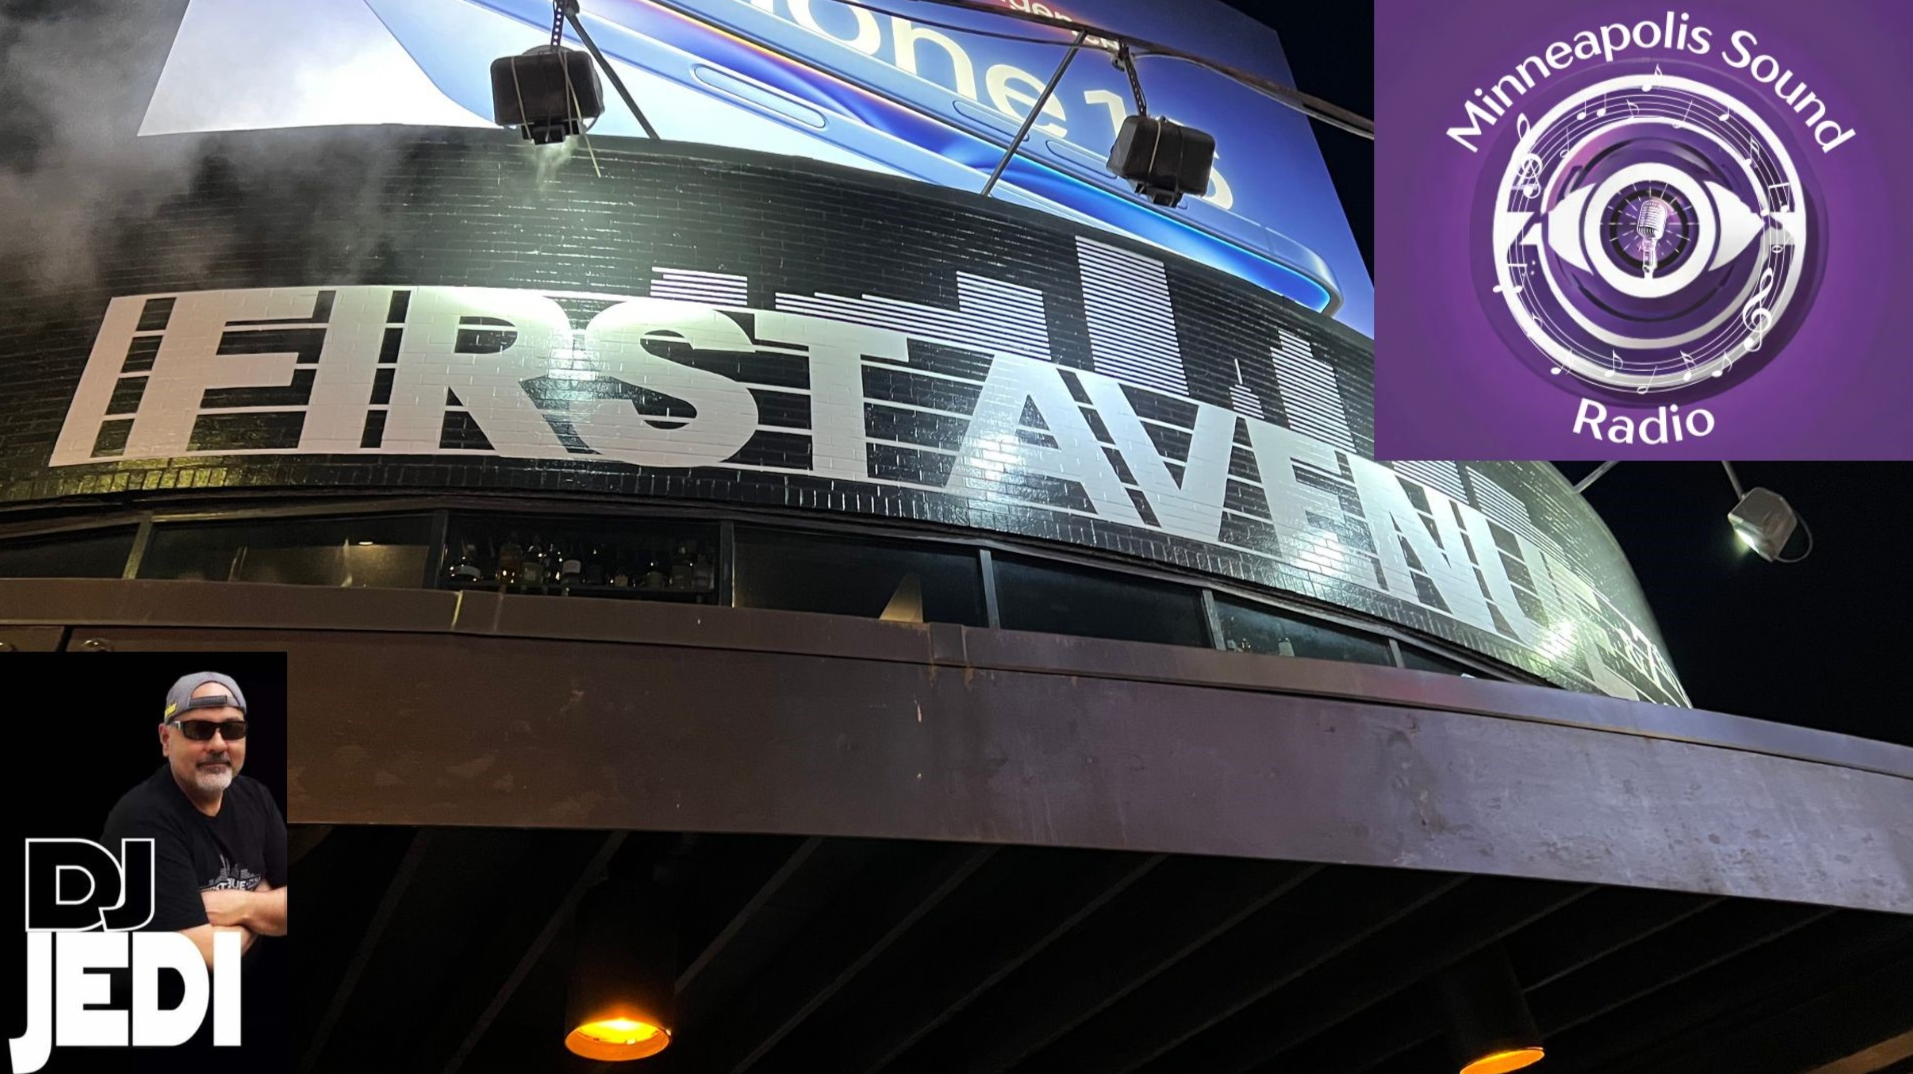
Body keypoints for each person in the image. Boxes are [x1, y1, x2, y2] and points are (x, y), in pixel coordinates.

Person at [101, 671, 288, 973]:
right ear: (166, 739)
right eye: (199, 729)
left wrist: (241, 906)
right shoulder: (142, 819)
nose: (218, 744)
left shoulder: (256, 797)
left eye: (232, 729)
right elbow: (207, 954)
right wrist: (264, 904)